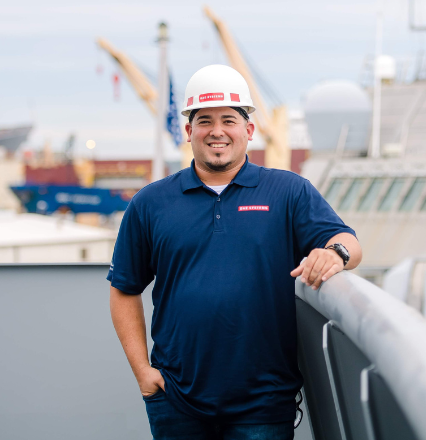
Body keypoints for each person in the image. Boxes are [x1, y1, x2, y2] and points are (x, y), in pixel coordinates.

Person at [108, 64, 361, 440]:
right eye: (205, 120)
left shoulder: (288, 191)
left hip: (262, 401)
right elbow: (123, 288)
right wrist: (143, 373)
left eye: (229, 119)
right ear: (189, 131)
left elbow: (350, 244)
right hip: (176, 399)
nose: (217, 131)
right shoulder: (151, 202)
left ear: (249, 129)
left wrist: (334, 253)